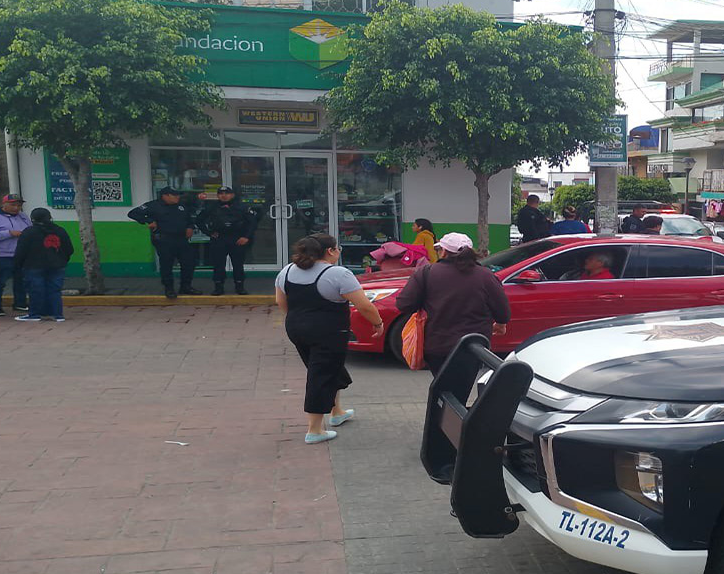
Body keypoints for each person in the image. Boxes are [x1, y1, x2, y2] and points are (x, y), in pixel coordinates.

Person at [275, 234, 384, 445]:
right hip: (328, 332)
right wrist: (378, 323)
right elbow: (364, 306)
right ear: (330, 251)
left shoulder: (287, 270)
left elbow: (281, 302)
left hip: (296, 328)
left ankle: (337, 412)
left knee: (325, 368)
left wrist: (299, 321)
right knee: (321, 375)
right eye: (338, 248)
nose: (339, 251)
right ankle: (314, 430)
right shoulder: (338, 274)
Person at [395, 232, 510, 375]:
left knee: (442, 386)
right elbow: (502, 311)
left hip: (437, 346)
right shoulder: (486, 276)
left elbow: (404, 304)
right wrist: (500, 324)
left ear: (443, 252)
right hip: (474, 347)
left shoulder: (427, 273)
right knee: (461, 387)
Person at [128, 187, 199, 299]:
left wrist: (190, 227)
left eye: (178, 195)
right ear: (165, 196)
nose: (177, 197)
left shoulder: (181, 205)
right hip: (164, 240)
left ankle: (186, 286)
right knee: (167, 265)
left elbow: (189, 218)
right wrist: (148, 221)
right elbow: (133, 213)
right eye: (174, 195)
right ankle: (169, 288)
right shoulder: (153, 205)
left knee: (189, 263)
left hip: (181, 239)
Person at [13, 208, 74, 322]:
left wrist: (19, 264)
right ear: (50, 217)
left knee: (36, 290)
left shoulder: (29, 232)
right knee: (54, 290)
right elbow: (69, 249)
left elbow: (21, 251)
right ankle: (57, 315)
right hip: (57, 265)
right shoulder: (60, 230)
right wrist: (62, 260)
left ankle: (35, 314)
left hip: (33, 266)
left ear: (32, 219)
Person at [198, 186, 259, 296]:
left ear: (232, 195)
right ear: (217, 195)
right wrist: (209, 232)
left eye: (227, 193)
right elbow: (199, 220)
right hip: (219, 238)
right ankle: (218, 287)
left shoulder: (242, 207)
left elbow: (252, 223)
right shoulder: (212, 207)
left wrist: (246, 237)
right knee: (218, 265)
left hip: (237, 239)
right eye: (221, 193)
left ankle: (239, 286)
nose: (224, 195)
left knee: (238, 264)